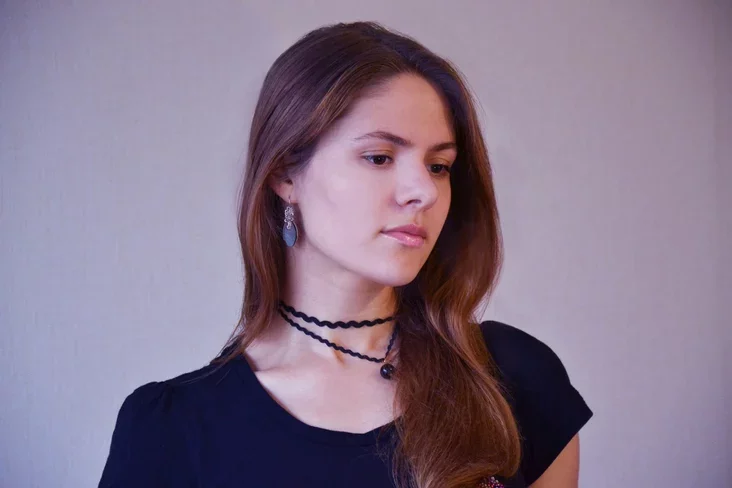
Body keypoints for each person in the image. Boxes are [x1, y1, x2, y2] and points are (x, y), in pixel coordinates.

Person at [98, 21, 593, 488]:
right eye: (379, 157)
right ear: (285, 174)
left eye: (439, 166)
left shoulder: (512, 378)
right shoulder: (170, 431)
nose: (423, 191)